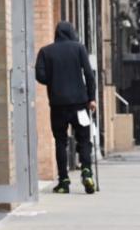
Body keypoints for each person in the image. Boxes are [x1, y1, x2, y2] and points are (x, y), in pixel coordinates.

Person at [35, 21, 97, 194]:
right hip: (79, 104)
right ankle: (86, 171)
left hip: (58, 104)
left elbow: (39, 75)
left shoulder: (46, 51)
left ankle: (63, 181)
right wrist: (91, 98)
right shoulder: (79, 48)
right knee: (84, 139)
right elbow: (89, 75)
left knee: (61, 142)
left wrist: (54, 81)